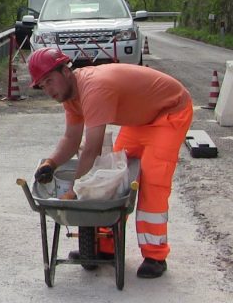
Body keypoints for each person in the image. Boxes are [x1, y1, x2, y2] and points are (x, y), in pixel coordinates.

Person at [28, 47, 193, 279]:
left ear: (66, 72)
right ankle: (105, 248)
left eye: (49, 81)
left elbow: (92, 149)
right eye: (42, 86)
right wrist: (51, 163)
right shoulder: (70, 97)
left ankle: (155, 256)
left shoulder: (94, 88)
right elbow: (71, 138)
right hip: (141, 119)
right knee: (114, 177)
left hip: (169, 112)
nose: (48, 90)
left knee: (153, 180)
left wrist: (75, 191)